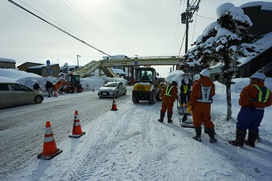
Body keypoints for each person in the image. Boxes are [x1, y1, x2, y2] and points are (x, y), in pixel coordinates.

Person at [228, 72, 272, 147]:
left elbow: (243, 99)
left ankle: (239, 141)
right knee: (254, 126)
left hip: (248, 110)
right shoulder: (268, 91)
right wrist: (260, 105)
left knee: (242, 124)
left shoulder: (249, 88)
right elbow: (268, 103)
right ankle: (251, 142)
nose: (250, 80)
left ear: (256, 80)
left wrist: (248, 105)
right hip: (260, 111)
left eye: (252, 79)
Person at [187, 69, 217, 143]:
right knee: (207, 120)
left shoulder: (197, 84)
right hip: (207, 106)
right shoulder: (212, 85)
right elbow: (212, 94)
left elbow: (193, 96)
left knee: (197, 121)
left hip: (197, 105)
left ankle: (198, 136)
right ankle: (212, 137)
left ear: (201, 75)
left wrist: (190, 105)